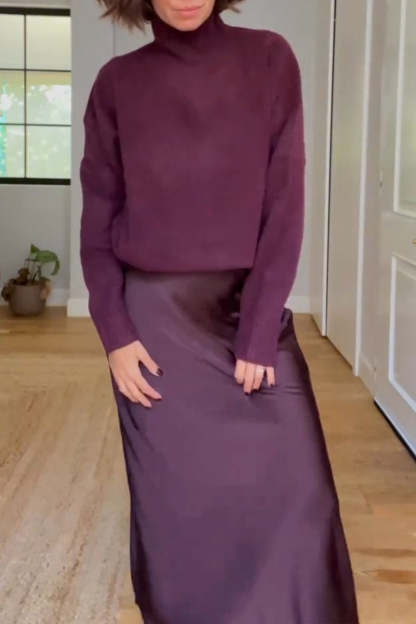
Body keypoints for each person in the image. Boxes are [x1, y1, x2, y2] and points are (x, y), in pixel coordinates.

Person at [79, 0, 361, 622]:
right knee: (182, 517)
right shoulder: (117, 84)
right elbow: (97, 221)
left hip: (247, 311)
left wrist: (259, 331)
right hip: (154, 328)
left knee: (302, 501)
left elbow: (285, 204)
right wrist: (115, 333)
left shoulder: (269, 58)